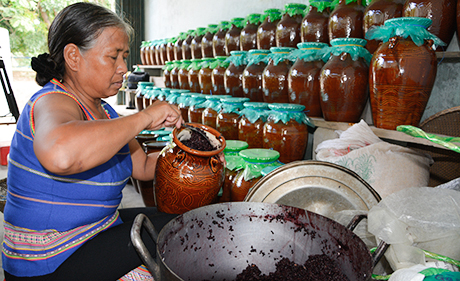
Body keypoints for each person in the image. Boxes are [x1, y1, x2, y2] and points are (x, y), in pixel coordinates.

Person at [2, 2, 183, 280]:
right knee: (177, 233)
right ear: (73, 57)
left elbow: (145, 167)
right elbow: (61, 155)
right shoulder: (51, 101)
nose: (124, 68)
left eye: (125, 56)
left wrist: (189, 153)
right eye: (113, 57)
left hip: (94, 232)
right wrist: (143, 117)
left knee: (180, 219)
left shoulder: (105, 111)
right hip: (50, 257)